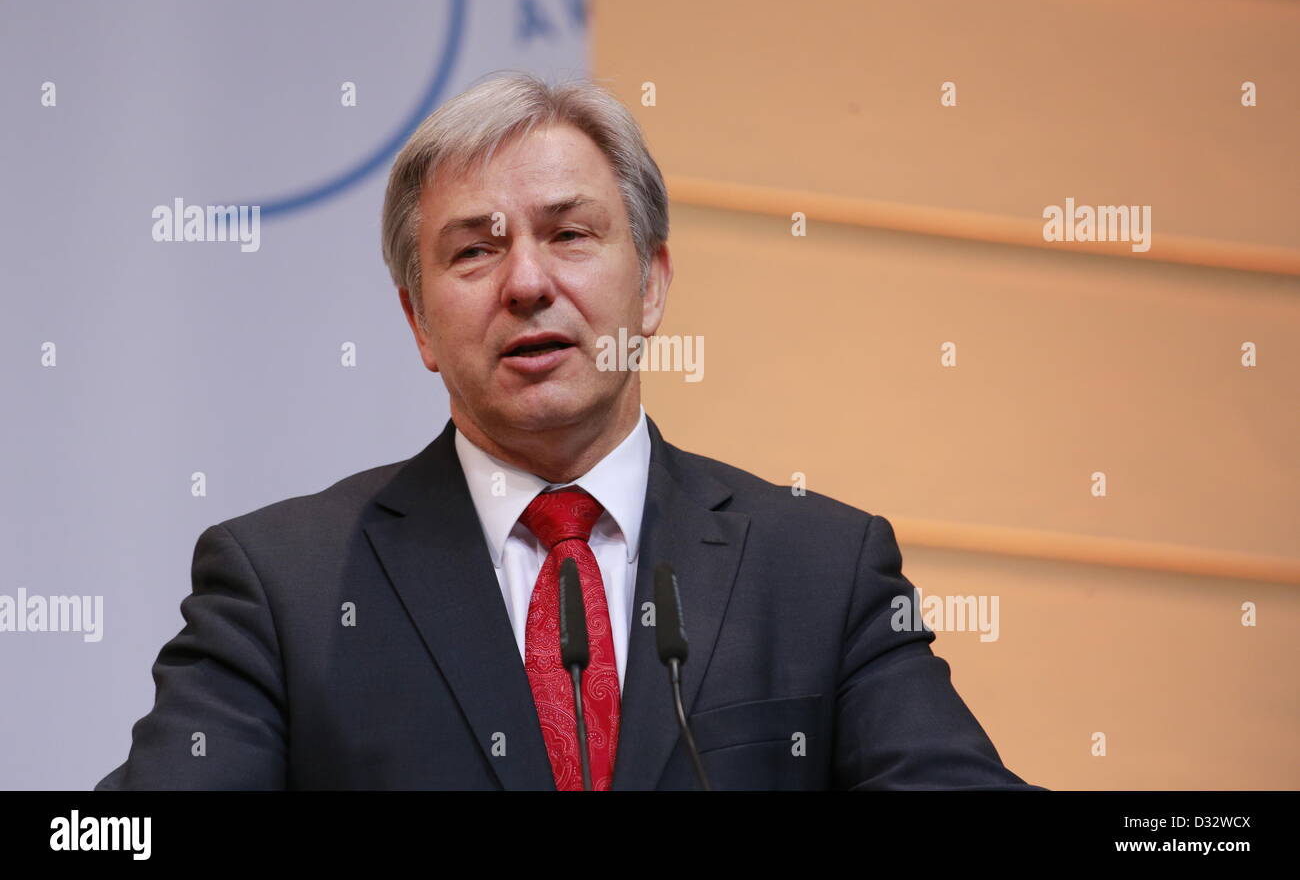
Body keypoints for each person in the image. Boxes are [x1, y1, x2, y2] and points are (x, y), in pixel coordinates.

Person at [96, 70, 1037, 790]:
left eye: (571, 234)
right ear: (419, 322)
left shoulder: (819, 569)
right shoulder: (284, 586)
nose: (528, 283)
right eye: (475, 249)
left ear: (654, 283)